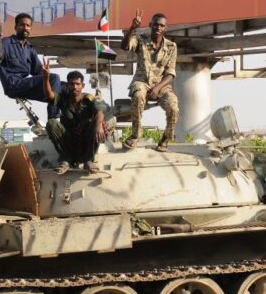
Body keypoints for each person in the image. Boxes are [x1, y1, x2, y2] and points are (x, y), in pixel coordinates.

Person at [0, 13, 64, 119]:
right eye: (22, 25)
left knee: (65, 87)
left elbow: (38, 71)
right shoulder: (5, 44)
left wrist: (45, 73)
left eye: (28, 26)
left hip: (25, 85)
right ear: (16, 27)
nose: (25, 28)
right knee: (54, 78)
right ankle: (54, 118)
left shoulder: (29, 49)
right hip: (13, 84)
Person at [120, 9, 179, 152]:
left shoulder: (171, 47)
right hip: (142, 81)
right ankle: (135, 136)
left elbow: (170, 73)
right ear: (150, 25)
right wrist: (133, 28)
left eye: (161, 26)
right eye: (155, 25)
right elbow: (125, 46)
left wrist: (157, 88)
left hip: (161, 84)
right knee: (139, 95)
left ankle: (166, 138)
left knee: (173, 107)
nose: (158, 28)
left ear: (165, 28)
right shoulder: (141, 41)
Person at [42, 62, 107, 174]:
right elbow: (50, 95)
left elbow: (100, 111)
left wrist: (98, 125)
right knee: (51, 123)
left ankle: (88, 160)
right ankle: (66, 160)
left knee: (96, 122)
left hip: (87, 140)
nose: (75, 87)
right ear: (68, 85)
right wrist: (46, 78)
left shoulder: (89, 99)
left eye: (77, 84)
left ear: (83, 86)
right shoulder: (63, 98)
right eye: (72, 84)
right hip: (68, 140)